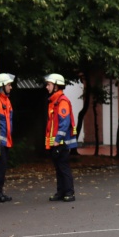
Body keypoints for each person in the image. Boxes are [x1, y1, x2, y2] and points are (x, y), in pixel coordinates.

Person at [45, 73, 77, 202]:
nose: (47, 87)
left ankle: (69, 192)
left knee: (63, 168)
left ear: (56, 86)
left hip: (61, 142)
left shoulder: (62, 101)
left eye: (49, 84)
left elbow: (64, 123)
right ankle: (61, 192)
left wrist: (58, 141)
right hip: (56, 142)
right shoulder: (54, 101)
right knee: (58, 168)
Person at [0, 73, 15, 202]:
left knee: (2, 167)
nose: (10, 87)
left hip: (5, 141)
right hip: (0, 141)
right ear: (2, 86)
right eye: (9, 85)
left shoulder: (6, 100)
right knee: (0, 168)